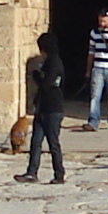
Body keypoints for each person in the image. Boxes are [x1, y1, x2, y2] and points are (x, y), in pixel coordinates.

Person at [22, 31, 68, 183]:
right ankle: (31, 172)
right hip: (42, 107)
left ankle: (59, 174)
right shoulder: (48, 62)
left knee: (53, 143)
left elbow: (47, 84)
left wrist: (36, 76)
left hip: (53, 109)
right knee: (36, 141)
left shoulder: (54, 62)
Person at [84, 9, 108, 130]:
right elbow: (91, 52)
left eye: (104, 21)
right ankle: (93, 121)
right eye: (100, 21)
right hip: (98, 68)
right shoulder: (94, 33)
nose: (101, 23)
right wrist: (88, 70)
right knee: (95, 95)